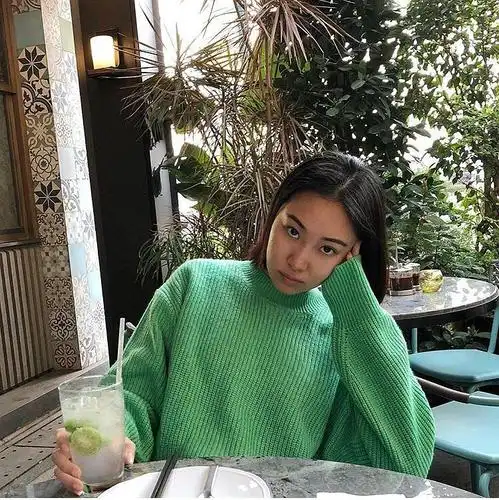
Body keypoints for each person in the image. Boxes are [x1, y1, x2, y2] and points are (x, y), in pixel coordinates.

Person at [52, 152, 435, 494]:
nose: (298, 260)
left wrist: (357, 310)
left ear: (351, 256)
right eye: (293, 230)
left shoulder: (347, 338)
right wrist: (115, 438)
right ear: (275, 214)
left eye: (327, 248)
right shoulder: (195, 284)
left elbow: (406, 462)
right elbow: (135, 393)